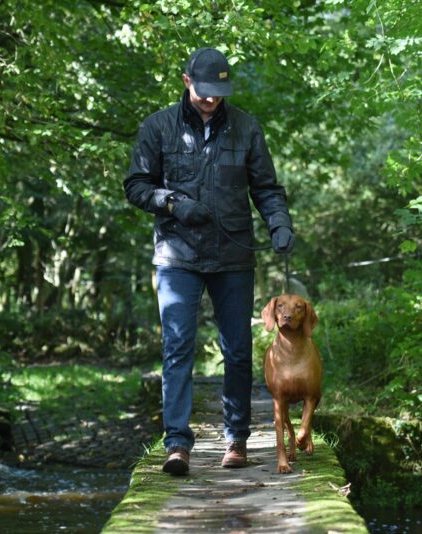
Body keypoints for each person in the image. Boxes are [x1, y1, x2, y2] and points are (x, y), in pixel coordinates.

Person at [123, 47, 295, 475]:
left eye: (219, 93)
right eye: (204, 92)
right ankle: (177, 445)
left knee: (237, 350)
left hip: (234, 255)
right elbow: (136, 185)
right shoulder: (158, 127)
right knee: (177, 347)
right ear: (186, 81)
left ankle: (236, 439)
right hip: (176, 256)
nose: (211, 99)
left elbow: (267, 188)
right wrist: (174, 203)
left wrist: (279, 224)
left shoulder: (246, 129)